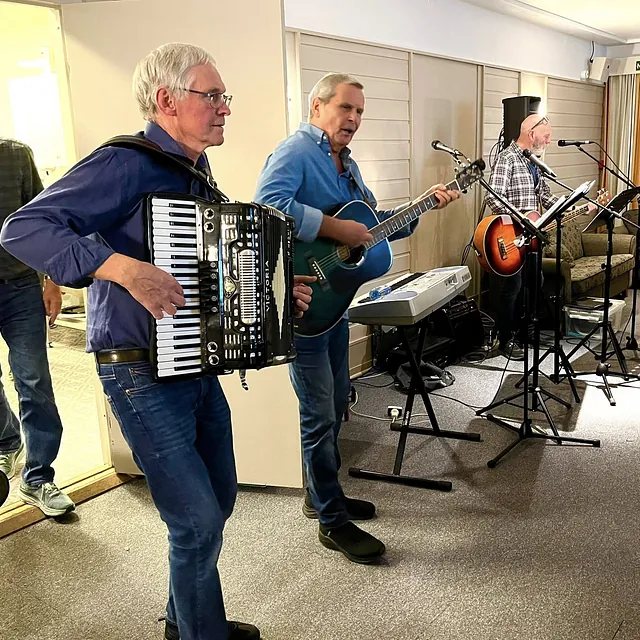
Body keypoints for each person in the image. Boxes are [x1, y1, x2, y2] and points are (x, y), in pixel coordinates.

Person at [1, 43, 313, 640]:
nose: (225, 107)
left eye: (224, 96)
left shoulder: (195, 174)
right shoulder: (125, 163)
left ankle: (183, 618)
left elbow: (212, 270)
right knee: (195, 520)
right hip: (137, 369)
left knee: (218, 498)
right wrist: (120, 268)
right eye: (212, 95)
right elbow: (23, 227)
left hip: (192, 362)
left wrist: (274, 291)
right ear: (167, 100)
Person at [254, 72, 459, 564]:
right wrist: (334, 227)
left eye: (360, 111)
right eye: (345, 107)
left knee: (336, 404)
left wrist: (423, 206)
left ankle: (321, 495)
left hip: (335, 309)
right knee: (318, 414)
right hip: (304, 307)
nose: (353, 119)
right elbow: (267, 207)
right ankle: (331, 521)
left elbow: (370, 225)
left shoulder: (346, 164)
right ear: (317, 106)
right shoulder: (296, 151)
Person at [0, 138, 74, 517]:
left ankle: (38, 476)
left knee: (33, 381)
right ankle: (7, 440)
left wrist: (52, 280)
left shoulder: (16, 155)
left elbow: (43, 222)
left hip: (20, 288)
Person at [484, 115, 561, 360]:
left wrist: (569, 207)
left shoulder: (534, 162)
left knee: (535, 281)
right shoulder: (507, 158)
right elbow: (493, 197)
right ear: (531, 133)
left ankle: (523, 332)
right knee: (511, 287)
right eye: (546, 136)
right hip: (510, 235)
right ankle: (505, 337)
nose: (548, 141)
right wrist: (520, 219)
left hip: (531, 237)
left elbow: (544, 195)